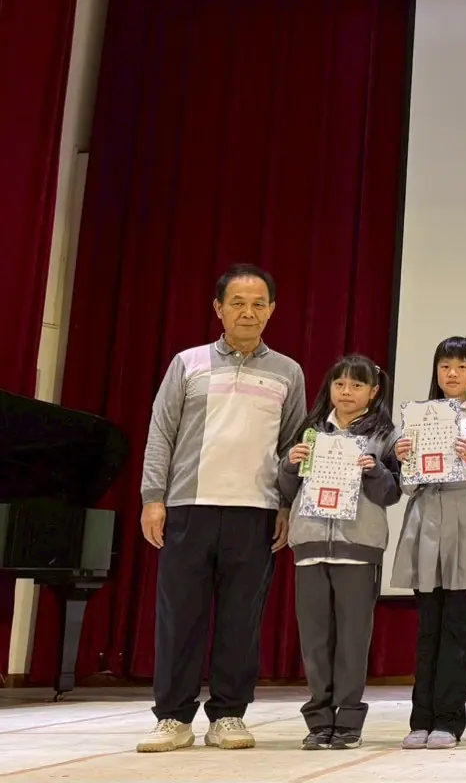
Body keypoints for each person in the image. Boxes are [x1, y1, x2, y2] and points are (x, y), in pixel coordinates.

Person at [137, 264, 307, 754]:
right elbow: (161, 433)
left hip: (256, 511)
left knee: (241, 619)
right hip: (189, 506)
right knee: (179, 617)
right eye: (237, 303)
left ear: (272, 310)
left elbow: (292, 446)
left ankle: (229, 714)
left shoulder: (288, 372)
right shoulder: (187, 363)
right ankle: (173, 717)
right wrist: (153, 497)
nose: (248, 312)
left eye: (258, 304)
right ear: (218, 308)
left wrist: (286, 504)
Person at [280, 354, 400, 750]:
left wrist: (375, 470)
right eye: (340, 384)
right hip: (310, 545)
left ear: (374, 391)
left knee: (352, 640)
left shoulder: (385, 435)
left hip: (358, 548)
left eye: (357, 385)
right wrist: (289, 465)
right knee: (315, 640)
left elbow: (391, 493)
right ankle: (318, 721)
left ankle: (348, 721)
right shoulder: (311, 431)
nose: (347, 392)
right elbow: (287, 489)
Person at [394, 336, 466, 749]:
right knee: (428, 626)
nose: (452, 373)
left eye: (461, 366)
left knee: (457, 624)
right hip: (426, 513)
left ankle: (448, 721)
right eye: (445, 366)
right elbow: (408, 486)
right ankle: (419, 719)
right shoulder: (418, 416)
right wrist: (404, 460)